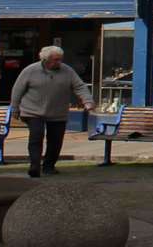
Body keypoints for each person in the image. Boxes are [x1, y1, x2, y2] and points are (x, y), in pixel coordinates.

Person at [8, 45, 93, 178]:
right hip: (33, 111)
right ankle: (34, 166)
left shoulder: (67, 71)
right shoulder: (31, 70)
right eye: (55, 60)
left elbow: (80, 86)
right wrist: (15, 108)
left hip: (57, 112)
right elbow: (17, 90)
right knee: (36, 137)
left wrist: (87, 101)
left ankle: (49, 166)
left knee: (55, 140)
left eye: (60, 59)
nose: (59, 62)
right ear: (46, 60)